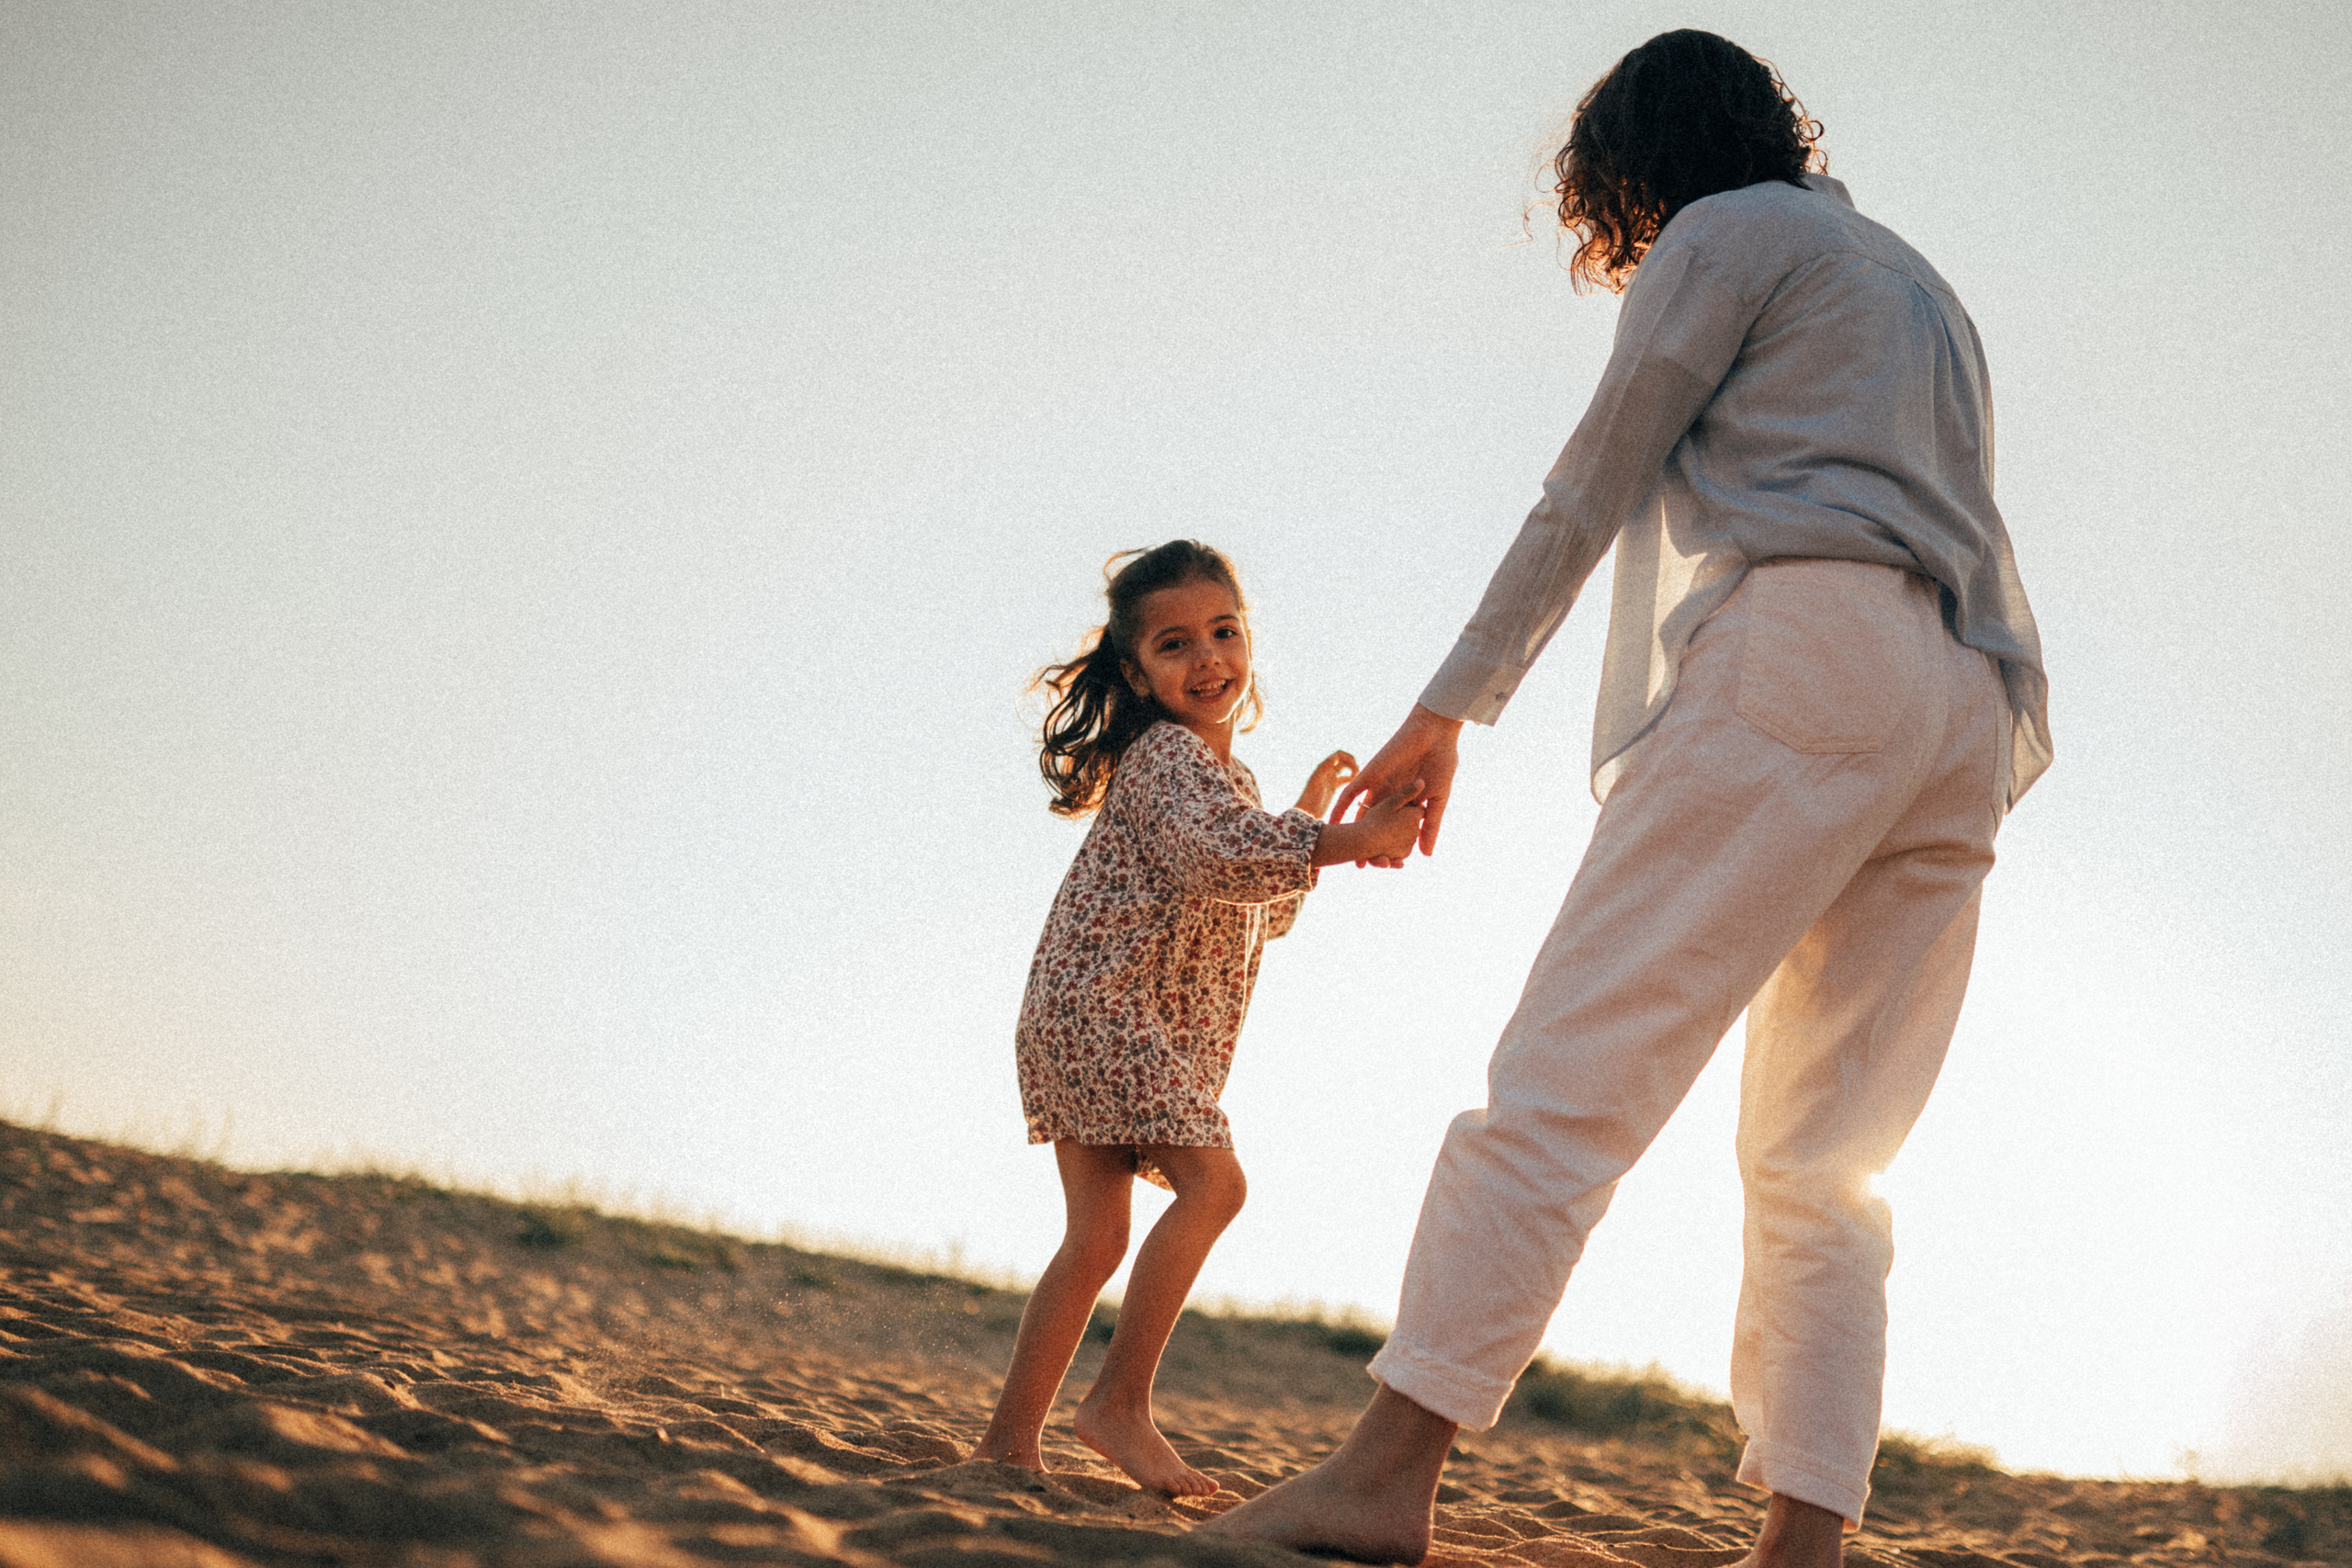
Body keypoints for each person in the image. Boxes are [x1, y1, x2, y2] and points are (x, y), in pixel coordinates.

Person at [1205, 28, 2051, 1567]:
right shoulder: (1922, 285)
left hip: (1811, 645)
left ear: (1641, 169)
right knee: (1825, 1159)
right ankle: (1803, 1545)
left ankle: (1388, 1475)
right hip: (1968, 698)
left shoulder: (1728, 234)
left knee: (1568, 1071)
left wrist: (1444, 707)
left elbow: (1592, 477)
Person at [969, 539, 1427, 1496]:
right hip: (1104, 1012)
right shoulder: (1166, 759)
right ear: (1136, 674)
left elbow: (1264, 901)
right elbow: (1225, 861)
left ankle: (1008, 1447)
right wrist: (1347, 839)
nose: (1208, 659)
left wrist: (1309, 816)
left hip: (1082, 1015)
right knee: (1214, 1188)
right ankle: (1119, 1404)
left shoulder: (1231, 788)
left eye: (1224, 632)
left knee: (1095, 1240)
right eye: (1175, 645)